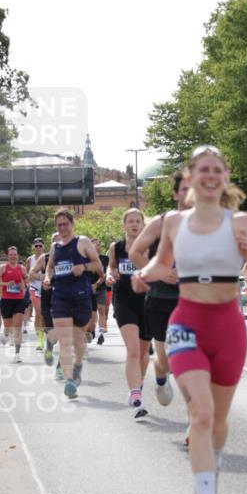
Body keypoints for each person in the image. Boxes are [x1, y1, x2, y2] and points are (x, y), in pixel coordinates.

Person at [137, 145, 247, 494]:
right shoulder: (176, 223)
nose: (211, 175)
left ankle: (211, 467)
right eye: (203, 170)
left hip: (228, 325)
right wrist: (142, 273)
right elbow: (162, 264)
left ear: (225, 176)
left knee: (217, 421)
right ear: (192, 177)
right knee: (200, 413)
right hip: (186, 323)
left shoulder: (242, 221)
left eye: (218, 169)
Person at [129, 170, 191, 407]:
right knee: (166, 359)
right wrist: (161, 272)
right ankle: (161, 375)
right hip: (162, 299)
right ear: (176, 194)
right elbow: (135, 252)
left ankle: (195, 424)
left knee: (192, 360)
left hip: (194, 300)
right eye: (185, 189)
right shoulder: (161, 222)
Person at [44, 210, 103, 398]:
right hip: (60, 297)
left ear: (72, 224)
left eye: (65, 224)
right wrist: (47, 278)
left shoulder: (82, 242)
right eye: (59, 225)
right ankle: (69, 381)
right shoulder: (55, 247)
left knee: (78, 342)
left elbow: (99, 268)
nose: (62, 228)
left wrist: (84, 267)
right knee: (65, 342)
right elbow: (50, 266)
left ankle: (78, 365)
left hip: (80, 298)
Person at [106, 209, 152, 417]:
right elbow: (111, 267)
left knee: (143, 352)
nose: (134, 225)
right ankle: (136, 397)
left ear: (143, 225)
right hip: (124, 299)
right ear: (124, 225)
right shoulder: (116, 247)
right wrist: (109, 276)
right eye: (130, 221)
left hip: (147, 300)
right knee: (133, 349)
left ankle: (138, 387)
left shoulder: (151, 247)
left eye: (137, 221)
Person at [28, 233, 60, 369]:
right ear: (51, 244)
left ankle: (60, 366)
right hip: (47, 295)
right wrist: (42, 277)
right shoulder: (44, 258)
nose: (58, 244)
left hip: (64, 296)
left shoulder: (72, 255)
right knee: (48, 324)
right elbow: (31, 273)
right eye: (55, 241)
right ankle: (48, 346)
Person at [0, 247, 28, 361]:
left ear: (17, 256)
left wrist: (24, 285)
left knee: (18, 325)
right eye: (11, 254)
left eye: (15, 254)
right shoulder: (2, 268)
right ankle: (6, 333)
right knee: (8, 324)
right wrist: (6, 283)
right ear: (8, 256)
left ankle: (17, 354)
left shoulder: (22, 268)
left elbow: (26, 281)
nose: (13, 256)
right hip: (6, 299)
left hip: (19, 299)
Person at [25, 239, 46, 350]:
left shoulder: (48, 258)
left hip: (47, 288)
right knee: (38, 314)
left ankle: (46, 334)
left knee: (45, 315)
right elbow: (27, 275)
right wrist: (35, 278)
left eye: (40, 246)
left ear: (43, 246)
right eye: (36, 246)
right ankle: (39, 340)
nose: (38, 248)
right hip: (34, 288)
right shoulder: (30, 259)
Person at [90, 238, 109, 344]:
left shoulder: (105, 258)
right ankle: (91, 329)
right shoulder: (87, 259)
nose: (98, 246)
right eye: (95, 245)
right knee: (91, 312)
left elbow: (106, 273)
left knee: (101, 309)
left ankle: (101, 334)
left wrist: (97, 284)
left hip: (101, 287)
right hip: (89, 288)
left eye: (98, 245)